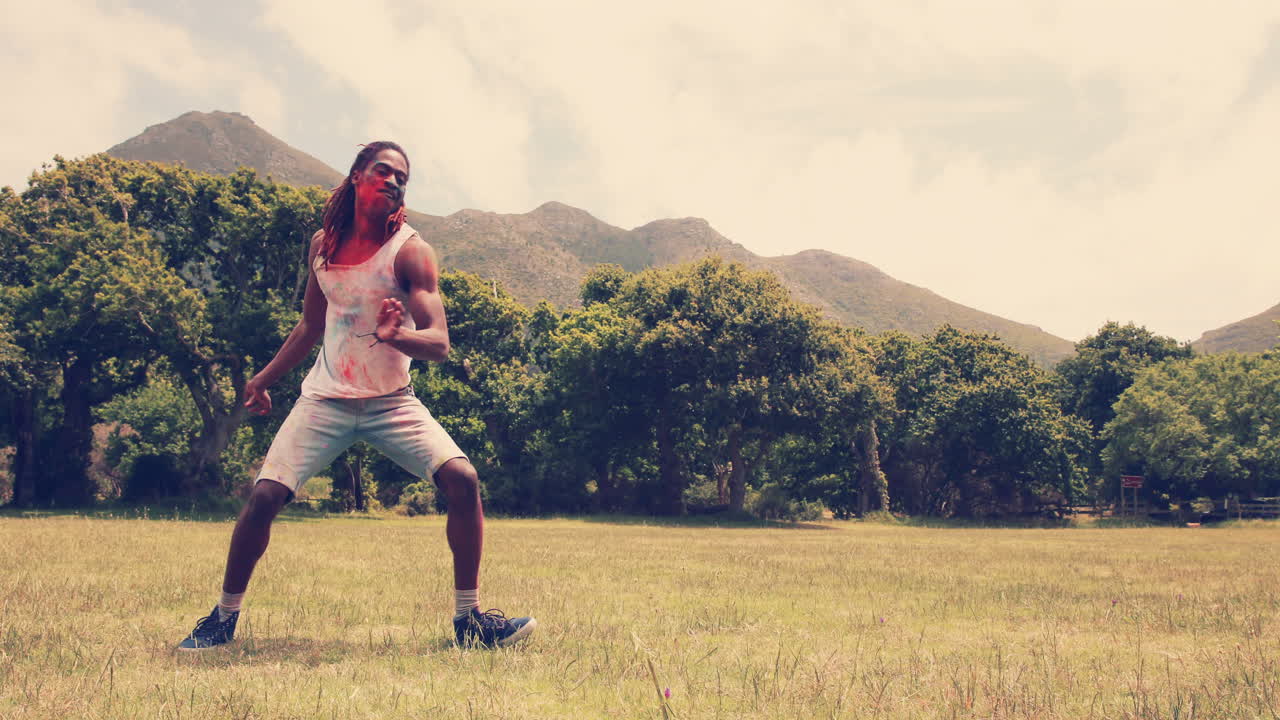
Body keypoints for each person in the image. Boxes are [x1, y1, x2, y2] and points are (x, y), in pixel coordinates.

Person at [178, 141, 535, 651]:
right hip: (324, 400)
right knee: (262, 497)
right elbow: (310, 325)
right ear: (356, 177)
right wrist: (261, 379)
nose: (393, 182)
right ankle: (221, 619)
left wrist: (398, 337)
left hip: (392, 402)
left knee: (463, 479)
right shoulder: (323, 245)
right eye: (383, 172)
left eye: (402, 179)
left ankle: (470, 621)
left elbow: (439, 343)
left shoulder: (411, 251)